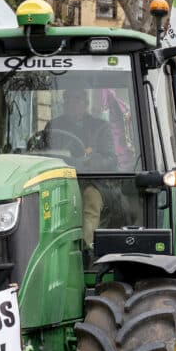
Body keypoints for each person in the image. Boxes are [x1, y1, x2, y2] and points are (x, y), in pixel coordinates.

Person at [47, 91, 117, 254]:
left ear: (86, 104)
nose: (71, 103)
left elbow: (111, 159)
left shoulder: (100, 127)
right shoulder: (53, 125)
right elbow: (43, 149)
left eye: (76, 99)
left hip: (92, 181)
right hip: (57, 179)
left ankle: (86, 249)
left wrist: (89, 162)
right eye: (68, 100)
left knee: (90, 198)